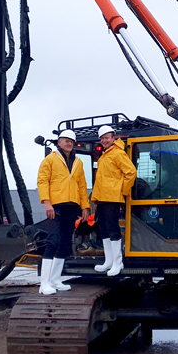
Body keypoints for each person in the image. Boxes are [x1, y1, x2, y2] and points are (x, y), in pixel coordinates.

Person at [37, 129, 90, 294]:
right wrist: (47, 203)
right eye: (66, 141)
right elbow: (42, 181)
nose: (69, 143)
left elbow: (82, 186)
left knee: (65, 243)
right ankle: (44, 284)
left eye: (71, 141)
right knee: (53, 241)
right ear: (59, 143)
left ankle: (55, 280)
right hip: (55, 206)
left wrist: (85, 207)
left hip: (71, 207)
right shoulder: (50, 160)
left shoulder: (78, 163)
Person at [91, 125, 137, 276]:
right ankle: (109, 261)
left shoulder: (118, 153)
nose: (104, 140)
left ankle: (118, 262)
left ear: (113, 138)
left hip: (112, 197)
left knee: (112, 228)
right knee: (103, 229)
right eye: (102, 138)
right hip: (102, 198)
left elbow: (131, 172)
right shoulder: (105, 155)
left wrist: (122, 191)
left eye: (107, 138)